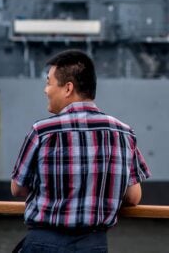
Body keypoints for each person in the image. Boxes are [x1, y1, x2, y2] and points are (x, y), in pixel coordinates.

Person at [10, 50, 149, 252]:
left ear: (68, 88)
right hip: (92, 244)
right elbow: (133, 197)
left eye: (48, 82)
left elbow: (17, 188)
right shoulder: (124, 133)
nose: (45, 90)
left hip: (43, 242)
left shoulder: (41, 131)